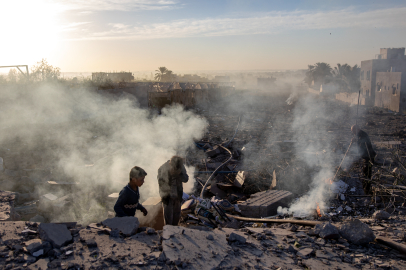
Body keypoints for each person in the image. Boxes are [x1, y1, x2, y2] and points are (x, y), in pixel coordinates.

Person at [158, 156, 189, 225]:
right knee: (168, 221)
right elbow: (161, 185)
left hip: (177, 196)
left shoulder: (181, 167)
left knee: (176, 218)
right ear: (170, 164)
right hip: (168, 197)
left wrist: (180, 174)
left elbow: (186, 179)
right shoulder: (163, 169)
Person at [351, 125, 376, 194]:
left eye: (353, 131)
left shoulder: (363, 135)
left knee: (367, 173)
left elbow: (363, 144)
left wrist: (356, 140)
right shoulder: (359, 135)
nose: (353, 133)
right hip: (365, 156)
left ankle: (366, 190)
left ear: (357, 129)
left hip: (369, 157)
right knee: (365, 173)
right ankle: (365, 189)